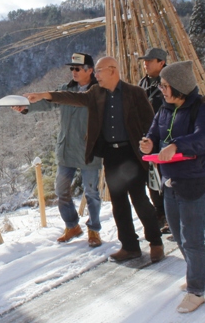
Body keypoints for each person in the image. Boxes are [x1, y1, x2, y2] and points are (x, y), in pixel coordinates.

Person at [25, 56, 164, 263]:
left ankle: (155, 242)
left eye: (98, 71)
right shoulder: (95, 93)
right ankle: (130, 246)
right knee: (118, 203)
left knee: (139, 199)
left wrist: (150, 143)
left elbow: (151, 124)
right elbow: (70, 97)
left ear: (112, 70)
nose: (95, 75)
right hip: (111, 154)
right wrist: (43, 95)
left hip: (132, 154)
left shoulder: (135, 93)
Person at [140, 61, 205, 314]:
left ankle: (196, 291)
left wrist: (176, 145)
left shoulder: (203, 108)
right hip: (171, 180)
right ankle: (202, 272)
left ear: (179, 86)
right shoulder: (164, 109)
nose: (161, 90)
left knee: (193, 238)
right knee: (177, 232)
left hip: (198, 180)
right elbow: (153, 133)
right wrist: (148, 143)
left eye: (165, 86)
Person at [13, 53, 103, 247]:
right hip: (67, 149)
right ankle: (72, 225)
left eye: (77, 68)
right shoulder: (65, 90)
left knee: (92, 193)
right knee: (61, 190)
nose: (73, 72)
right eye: (72, 68)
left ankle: (94, 230)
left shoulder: (98, 91)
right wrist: (25, 108)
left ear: (90, 70)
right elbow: (46, 103)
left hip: (89, 150)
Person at [138, 47, 169, 233]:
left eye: (150, 60)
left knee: (168, 178)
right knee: (152, 179)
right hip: (147, 138)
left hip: (166, 136)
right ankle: (160, 214)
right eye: (144, 60)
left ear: (161, 62)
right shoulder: (143, 83)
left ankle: (171, 213)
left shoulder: (169, 81)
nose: (146, 63)